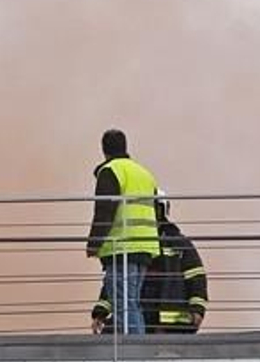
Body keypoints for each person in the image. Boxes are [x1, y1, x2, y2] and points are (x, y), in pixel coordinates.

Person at [91, 194, 209, 334]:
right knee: (118, 340)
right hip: (136, 314)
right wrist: (101, 311)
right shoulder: (131, 244)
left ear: (161, 211)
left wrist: (197, 309)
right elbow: (117, 281)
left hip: (169, 324)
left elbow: (196, 277)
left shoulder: (178, 243)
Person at [84, 128, 160, 336]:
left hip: (122, 247)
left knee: (123, 306)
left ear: (104, 150)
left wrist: (94, 243)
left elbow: (105, 210)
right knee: (131, 303)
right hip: (145, 246)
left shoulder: (111, 171)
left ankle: (133, 349)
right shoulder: (144, 173)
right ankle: (138, 346)